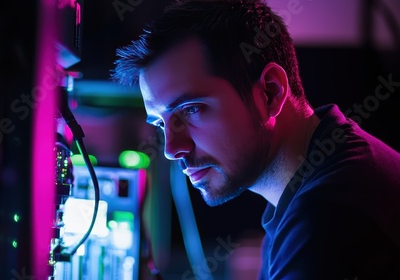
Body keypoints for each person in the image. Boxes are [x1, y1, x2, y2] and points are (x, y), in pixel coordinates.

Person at [112, 0, 400, 279]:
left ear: (270, 93)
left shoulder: (327, 215)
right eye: (162, 124)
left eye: (191, 109)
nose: (172, 150)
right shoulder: (309, 183)